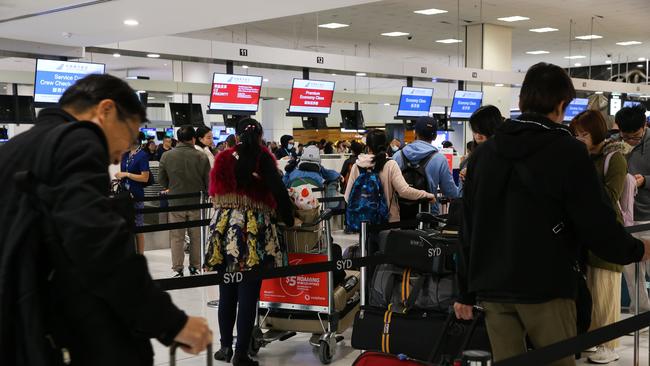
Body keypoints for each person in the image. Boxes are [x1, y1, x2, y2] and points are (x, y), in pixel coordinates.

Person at [0, 74, 211, 365]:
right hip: (56, 333)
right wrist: (173, 322)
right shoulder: (77, 140)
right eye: (131, 133)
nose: (123, 150)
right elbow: (98, 247)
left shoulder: (15, 149)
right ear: (106, 110)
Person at [454, 62, 650, 366]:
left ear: (521, 101)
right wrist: (636, 250)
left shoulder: (483, 155)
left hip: (492, 287)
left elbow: (468, 226)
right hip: (546, 284)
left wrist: (464, 291)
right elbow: (595, 220)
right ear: (561, 105)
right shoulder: (568, 152)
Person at [206, 118, 294, 366]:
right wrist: (288, 218)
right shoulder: (264, 157)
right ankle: (241, 353)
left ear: (235, 135)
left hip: (224, 230)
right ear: (259, 135)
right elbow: (278, 190)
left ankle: (225, 347)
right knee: (248, 295)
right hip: (252, 232)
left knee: (227, 293)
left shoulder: (223, 158)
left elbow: (214, 190)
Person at [570, 110, 629, 364]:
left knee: (606, 291)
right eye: (577, 134)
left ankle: (609, 344)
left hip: (607, 233)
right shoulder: (581, 158)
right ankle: (591, 339)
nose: (580, 138)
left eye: (584, 134)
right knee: (589, 292)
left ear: (596, 132)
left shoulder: (614, 159)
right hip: (584, 234)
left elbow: (609, 196)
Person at [345, 129, 436, 223]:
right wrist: (426, 195)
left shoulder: (357, 165)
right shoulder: (390, 165)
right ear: (386, 145)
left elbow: (348, 196)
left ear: (367, 147)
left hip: (363, 223)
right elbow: (404, 191)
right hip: (388, 221)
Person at [158, 125, 211, 277]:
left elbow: (162, 180)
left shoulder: (167, 156)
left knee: (176, 237)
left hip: (175, 202)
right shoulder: (201, 156)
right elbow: (208, 182)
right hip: (196, 202)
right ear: (193, 138)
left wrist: (172, 186)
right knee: (195, 236)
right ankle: (194, 267)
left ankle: (178, 268)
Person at [616, 105, 650, 314]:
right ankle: (641, 314)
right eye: (625, 136)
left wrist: (644, 180)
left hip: (648, 218)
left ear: (644, 126)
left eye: (635, 137)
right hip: (626, 219)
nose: (630, 141)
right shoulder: (614, 144)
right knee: (632, 274)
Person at [393, 117, 459, 216]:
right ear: (435, 136)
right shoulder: (440, 159)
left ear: (415, 133)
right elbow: (450, 192)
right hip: (428, 215)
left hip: (400, 214)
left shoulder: (398, 155)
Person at [116, 141, 151, 254]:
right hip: (124, 194)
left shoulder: (142, 155)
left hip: (136, 194)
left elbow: (145, 178)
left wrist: (127, 175)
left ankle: (140, 254)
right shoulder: (125, 155)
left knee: (138, 226)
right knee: (125, 225)